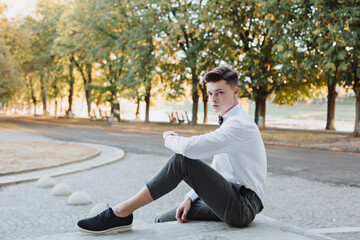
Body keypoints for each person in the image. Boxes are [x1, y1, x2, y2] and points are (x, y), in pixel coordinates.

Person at [76, 66, 267, 235]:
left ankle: (120, 213)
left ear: (235, 92)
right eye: (210, 94)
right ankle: (123, 215)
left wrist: (169, 138)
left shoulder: (239, 125)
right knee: (163, 219)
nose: (213, 99)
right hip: (230, 198)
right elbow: (218, 170)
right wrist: (189, 198)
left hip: (242, 206)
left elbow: (189, 150)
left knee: (182, 160)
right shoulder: (230, 123)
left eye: (220, 93)